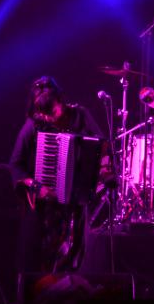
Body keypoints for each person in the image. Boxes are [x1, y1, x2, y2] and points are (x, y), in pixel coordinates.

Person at [9, 76, 101, 274]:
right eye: (43, 114)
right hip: (45, 205)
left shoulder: (80, 115)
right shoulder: (34, 125)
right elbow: (15, 164)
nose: (48, 118)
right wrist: (36, 186)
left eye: (52, 112)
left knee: (76, 256)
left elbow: (102, 145)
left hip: (77, 199)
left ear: (61, 101)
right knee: (41, 260)